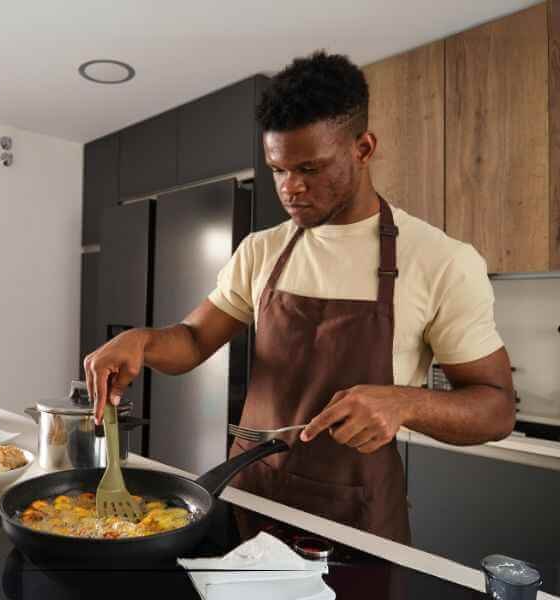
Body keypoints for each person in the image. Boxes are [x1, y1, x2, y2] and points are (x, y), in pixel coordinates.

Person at [84, 51, 514, 543]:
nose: (291, 189)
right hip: (249, 500)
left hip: (356, 520)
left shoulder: (442, 260)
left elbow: (496, 408)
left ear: (364, 147)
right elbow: (193, 339)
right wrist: (142, 341)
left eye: (311, 168)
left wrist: (405, 404)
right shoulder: (261, 249)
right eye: (278, 170)